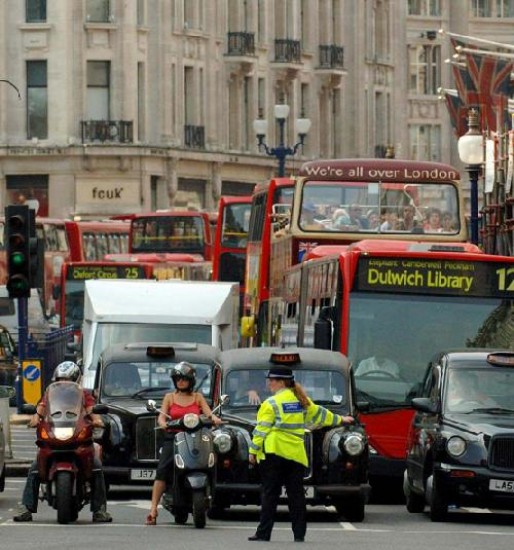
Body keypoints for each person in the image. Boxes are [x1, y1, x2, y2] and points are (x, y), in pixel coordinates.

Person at [247, 366, 353, 543]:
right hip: (295, 455)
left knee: (270, 495)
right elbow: (321, 414)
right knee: (296, 496)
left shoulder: (270, 404)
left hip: (273, 454)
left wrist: (253, 451)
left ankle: (263, 533)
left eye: (272, 380)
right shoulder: (301, 401)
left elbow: (261, 431)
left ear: (281, 382)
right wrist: (341, 419)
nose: (269, 383)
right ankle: (299, 534)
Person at [13, 361, 112, 523]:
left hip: (77, 439)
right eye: (61, 378)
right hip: (54, 437)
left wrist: (97, 419)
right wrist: (35, 418)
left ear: (77, 379)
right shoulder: (49, 394)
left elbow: (92, 411)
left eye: (69, 378)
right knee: (34, 468)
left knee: (96, 466)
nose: (65, 382)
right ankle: (26, 507)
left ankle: (99, 509)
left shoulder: (85, 395)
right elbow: (41, 409)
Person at [145, 361, 222, 525]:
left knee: (209, 461)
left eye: (184, 379)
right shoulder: (169, 397)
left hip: (195, 436)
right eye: (178, 379)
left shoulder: (198, 397)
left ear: (191, 380)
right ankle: (153, 510)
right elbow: (162, 415)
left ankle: (210, 494)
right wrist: (163, 422)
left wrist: (214, 419)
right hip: (174, 437)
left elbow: (209, 414)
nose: (181, 381)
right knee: (162, 470)